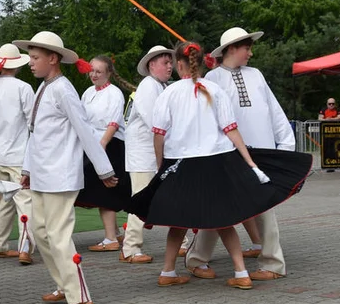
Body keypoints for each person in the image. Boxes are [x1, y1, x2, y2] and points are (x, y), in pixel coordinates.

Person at [130, 41, 313, 288]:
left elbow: (159, 134)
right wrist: (249, 162)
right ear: (200, 64)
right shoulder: (214, 89)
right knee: (224, 218)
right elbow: (231, 130)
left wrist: (161, 165)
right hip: (216, 163)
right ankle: (241, 273)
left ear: (179, 64)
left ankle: (168, 272)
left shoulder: (169, 94)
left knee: (179, 220)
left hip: (181, 165)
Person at [15, 31, 117, 304]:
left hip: (60, 174)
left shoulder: (63, 88)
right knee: (41, 232)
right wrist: (27, 169)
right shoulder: (45, 86)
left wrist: (103, 169)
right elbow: (35, 134)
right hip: (42, 174)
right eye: (30, 58)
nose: (31, 63)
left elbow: (84, 129)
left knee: (58, 235)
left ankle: (80, 297)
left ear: (53, 58)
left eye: (35, 58)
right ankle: (64, 285)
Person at [186, 27, 297, 281]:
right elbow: (205, 119)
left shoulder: (256, 75)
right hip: (227, 154)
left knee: (266, 208)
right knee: (219, 208)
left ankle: (272, 263)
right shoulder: (212, 79)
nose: (250, 52)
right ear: (232, 48)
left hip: (262, 152)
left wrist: (285, 146)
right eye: (247, 47)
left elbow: (274, 111)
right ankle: (196, 258)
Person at [0, 43, 36, 264]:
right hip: (19, 154)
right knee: (24, 201)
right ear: (18, 64)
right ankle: (25, 247)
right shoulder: (23, 88)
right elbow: (33, 122)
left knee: (4, 201)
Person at [120, 46, 173, 265]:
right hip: (143, 154)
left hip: (155, 152)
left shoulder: (161, 86)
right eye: (165, 62)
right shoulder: (148, 87)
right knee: (140, 200)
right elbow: (156, 123)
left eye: (171, 62)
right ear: (152, 65)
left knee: (169, 197)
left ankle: (182, 240)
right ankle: (130, 248)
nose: (170, 66)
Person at [78, 55, 132, 252]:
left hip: (111, 145)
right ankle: (115, 233)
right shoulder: (87, 93)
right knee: (99, 189)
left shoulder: (114, 93)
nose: (93, 74)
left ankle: (110, 238)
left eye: (98, 71)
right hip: (94, 146)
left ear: (109, 73)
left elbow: (114, 122)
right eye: (91, 70)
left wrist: (101, 147)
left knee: (106, 190)